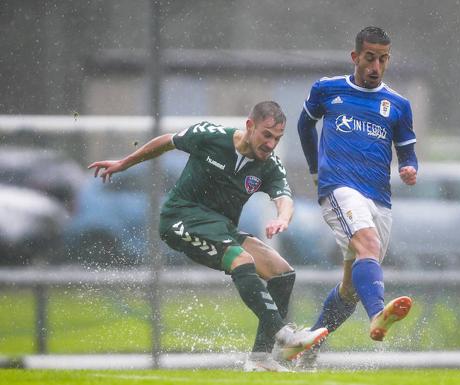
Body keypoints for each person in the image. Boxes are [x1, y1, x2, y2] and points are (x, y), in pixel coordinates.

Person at [88, 101, 328, 372]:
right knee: (241, 259)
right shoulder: (212, 135)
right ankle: (285, 336)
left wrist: (282, 218)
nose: (271, 144)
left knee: (281, 272)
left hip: (220, 228)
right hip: (181, 219)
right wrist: (123, 163)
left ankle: (260, 359)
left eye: (277, 138)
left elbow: (284, 197)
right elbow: (168, 141)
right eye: (267, 135)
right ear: (250, 126)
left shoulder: (269, 165)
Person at [296, 27, 418, 369]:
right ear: (355, 57)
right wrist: (316, 171)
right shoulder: (327, 89)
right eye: (369, 58)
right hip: (339, 187)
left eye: (383, 59)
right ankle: (378, 315)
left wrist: (409, 169)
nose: (376, 66)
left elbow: (408, 154)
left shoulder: (398, 105)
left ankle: (309, 345)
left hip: (379, 199)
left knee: (350, 289)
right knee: (367, 245)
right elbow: (304, 126)